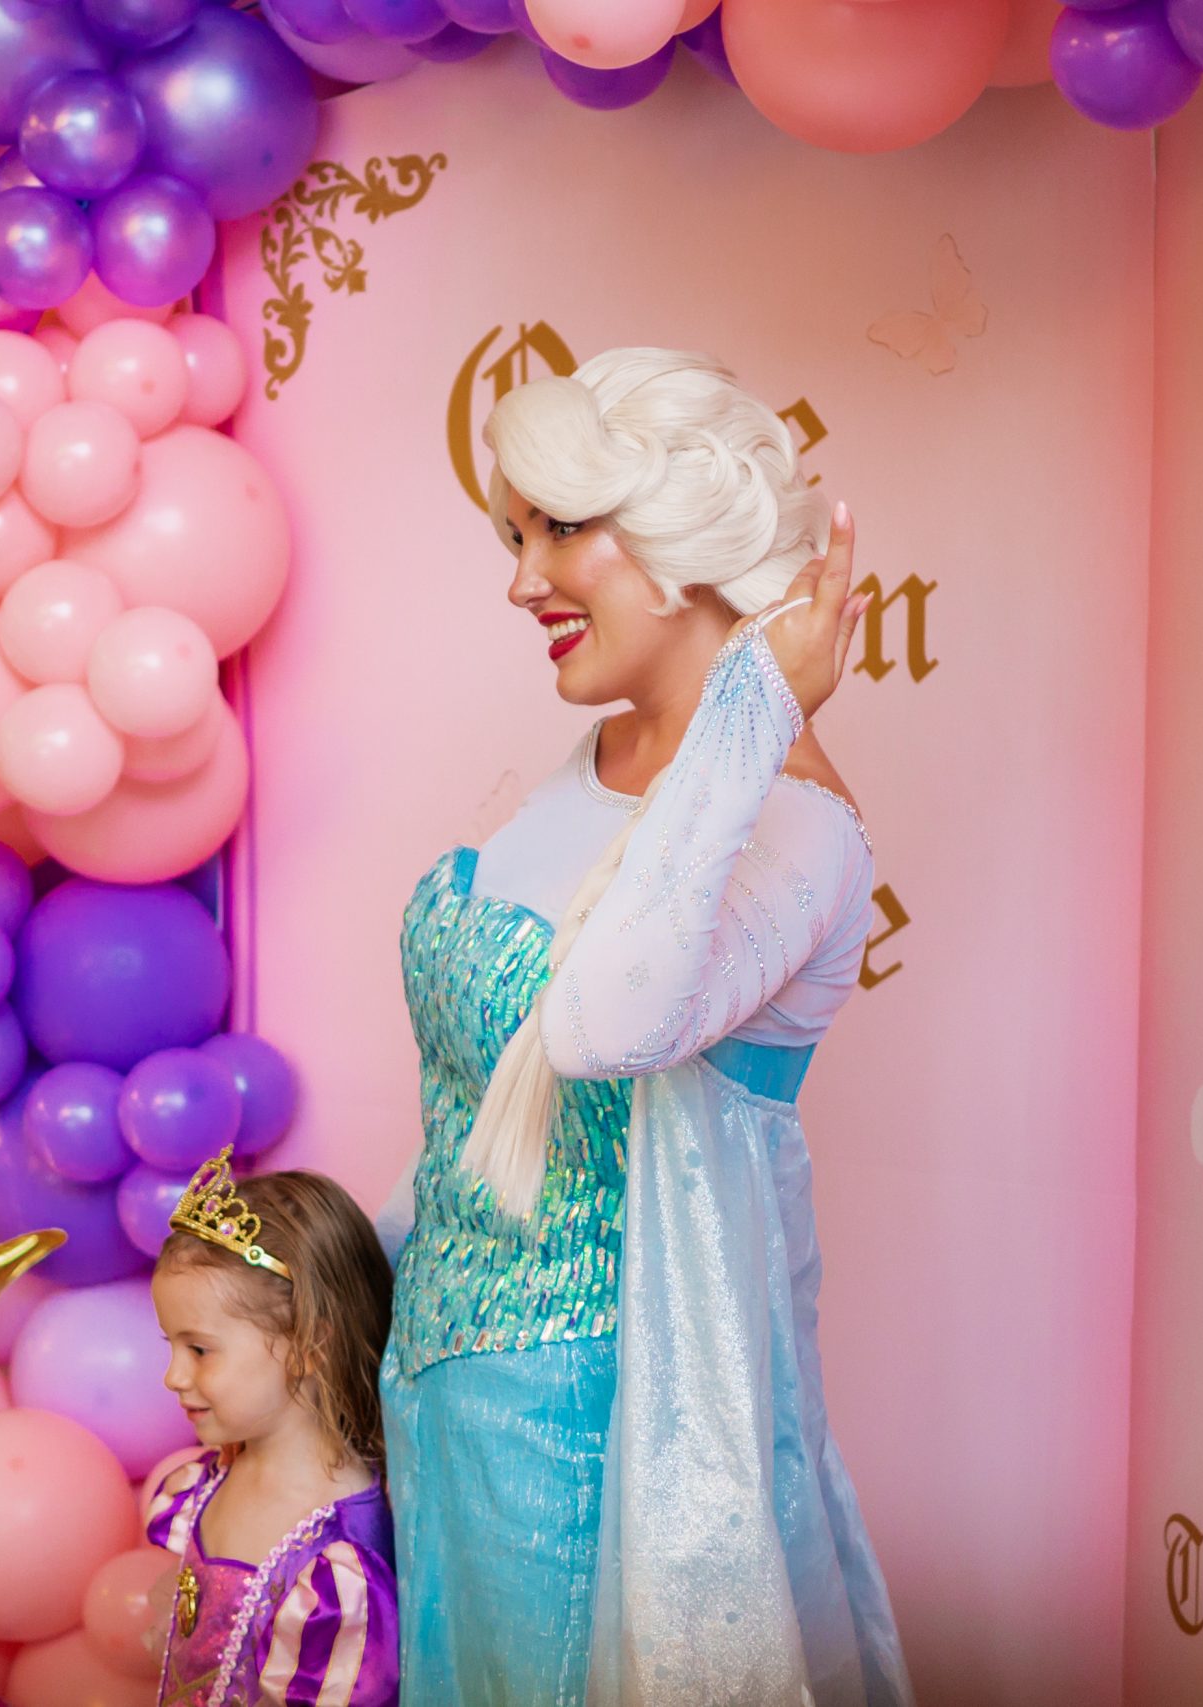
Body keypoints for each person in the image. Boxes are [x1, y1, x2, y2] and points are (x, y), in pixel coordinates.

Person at [380, 349, 915, 1705]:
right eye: (514, 537)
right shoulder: (594, 766)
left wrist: (752, 712)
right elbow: (470, 1112)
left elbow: (601, 1023)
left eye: (558, 528)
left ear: (682, 532)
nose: (522, 581)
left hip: (603, 1443)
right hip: (441, 1402)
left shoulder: (796, 820)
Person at [148, 1148, 402, 1705]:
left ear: (310, 1345)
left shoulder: (336, 1561)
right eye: (171, 1346)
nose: (172, 1377)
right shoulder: (210, 1478)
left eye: (198, 1350)